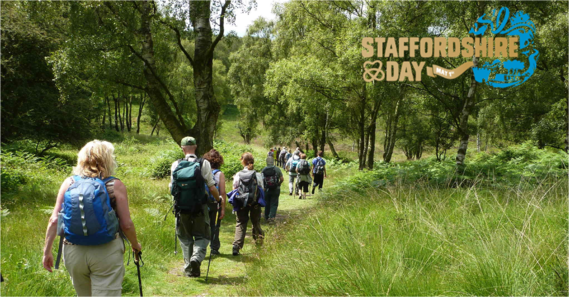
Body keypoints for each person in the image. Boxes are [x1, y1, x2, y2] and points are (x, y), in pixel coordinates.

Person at [42, 140, 142, 297]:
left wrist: (46, 251)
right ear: (108, 159)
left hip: (73, 251)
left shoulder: (69, 183)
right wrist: (135, 245)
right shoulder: (114, 185)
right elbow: (126, 225)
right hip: (106, 250)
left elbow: (54, 220)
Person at [169, 137, 221, 277]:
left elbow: (171, 189)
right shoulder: (204, 163)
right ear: (196, 147)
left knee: (185, 238)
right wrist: (219, 199)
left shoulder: (176, 164)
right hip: (199, 207)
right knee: (202, 235)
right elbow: (211, 186)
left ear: (182, 148)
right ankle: (196, 259)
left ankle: (189, 269)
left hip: (181, 207)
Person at [231, 152, 265, 256]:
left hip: (241, 202)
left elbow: (234, 188)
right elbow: (261, 188)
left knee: (241, 223)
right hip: (254, 203)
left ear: (243, 161)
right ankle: (259, 242)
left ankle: (236, 246)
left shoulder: (238, 174)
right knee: (256, 222)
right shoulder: (258, 175)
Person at [202, 149, 227, 255]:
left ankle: (200, 249)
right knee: (214, 226)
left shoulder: (201, 171)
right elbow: (223, 192)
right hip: (215, 204)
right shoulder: (220, 174)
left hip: (202, 203)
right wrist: (223, 208)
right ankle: (214, 248)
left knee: (202, 226)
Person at [261, 156, 284, 223]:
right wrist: (278, 184)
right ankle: (271, 217)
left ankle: (266, 217)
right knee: (274, 203)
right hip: (275, 188)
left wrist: (264, 188)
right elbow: (282, 179)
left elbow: (261, 180)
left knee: (267, 203)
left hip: (266, 189)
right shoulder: (277, 169)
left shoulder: (264, 170)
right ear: (273, 162)